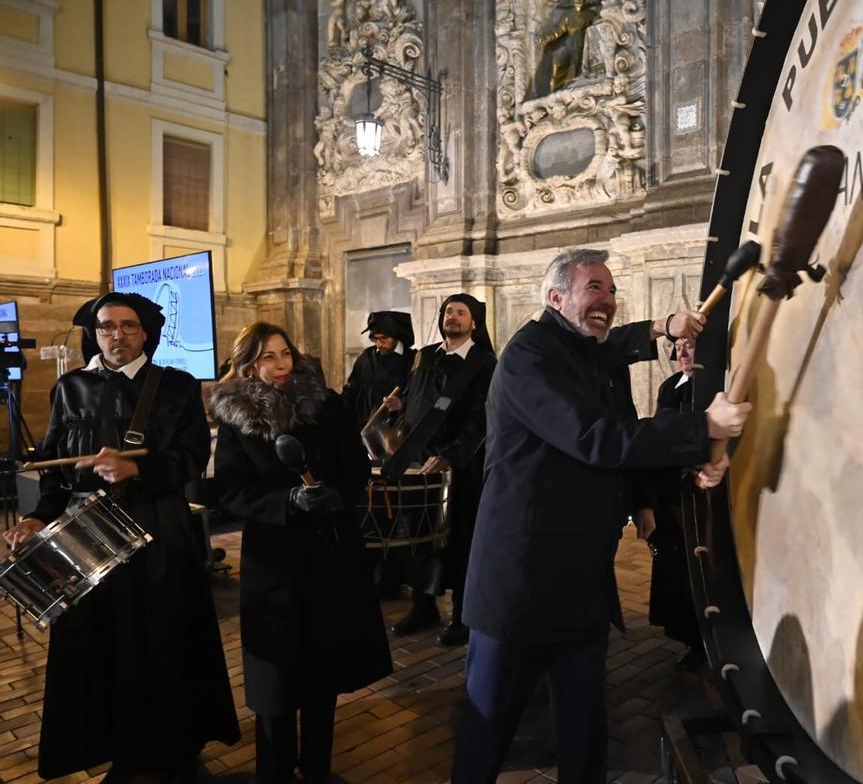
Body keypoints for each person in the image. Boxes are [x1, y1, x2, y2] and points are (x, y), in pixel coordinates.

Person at [450, 249, 750, 782]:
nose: (607, 301)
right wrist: (704, 429)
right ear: (555, 297)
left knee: (586, 734)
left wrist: (663, 327)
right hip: (519, 584)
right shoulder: (529, 357)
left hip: (582, 580)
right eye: (594, 289)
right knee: (486, 736)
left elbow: (617, 367)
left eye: (612, 291)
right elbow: (596, 438)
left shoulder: (586, 352)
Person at [4, 292, 239, 783]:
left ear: (145, 332)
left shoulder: (175, 385)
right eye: (107, 326)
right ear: (96, 332)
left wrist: (138, 467)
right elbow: (53, 465)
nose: (117, 336)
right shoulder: (71, 387)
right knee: (101, 646)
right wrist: (37, 518)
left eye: (128, 326)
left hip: (158, 530)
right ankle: (118, 748)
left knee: (163, 641)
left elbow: (193, 457)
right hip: (86, 534)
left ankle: (176, 749)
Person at [208, 322, 392, 784]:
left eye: (285, 353)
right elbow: (230, 491)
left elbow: (355, 464)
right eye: (269, 357)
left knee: (321, 671)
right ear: (248, 364)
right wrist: (284, 503)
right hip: (273, 561)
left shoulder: (326, 405)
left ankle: (316, 768)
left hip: (329, 555)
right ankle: (273, 770)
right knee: (274, 675)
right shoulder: (236, 417)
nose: (281, 364)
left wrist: (338, 494)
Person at [390, 294, 496, 647]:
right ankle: (423, 606)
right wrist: (397, 414)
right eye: (448, 311)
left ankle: (464, 614)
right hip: (420, 463)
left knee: (459, 539)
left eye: (461, 313)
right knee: (419, 536)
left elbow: (482, 418)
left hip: (460, 467)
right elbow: (412, 401)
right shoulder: (423, 356)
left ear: (474, 323)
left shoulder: (483, 363)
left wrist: (452, 454)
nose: (452, 317)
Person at [646, 337, 705, 671]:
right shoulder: (670, 386)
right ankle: (690, 638)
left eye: (691, 345)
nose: (682, 352)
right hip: (672, 492)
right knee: (678, 569)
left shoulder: (714, 383)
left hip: (704, 492)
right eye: (679, 346)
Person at [343, 310, 416, 429]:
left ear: (396, 336)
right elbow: (352, 390)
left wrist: (402, 403)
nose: (379, 344)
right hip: (365, 429)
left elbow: (418, 395)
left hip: (399, 430)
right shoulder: (365, 358)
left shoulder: (413, 359)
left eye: (383, 339)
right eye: (375, 339)